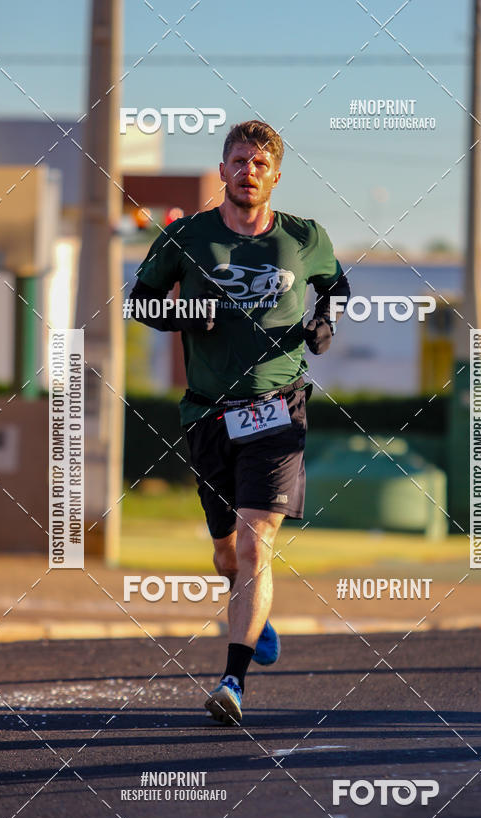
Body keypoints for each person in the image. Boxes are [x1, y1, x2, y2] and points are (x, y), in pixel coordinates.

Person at [128, 120, 350, 725]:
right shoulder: (186, 236)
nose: (248, 171)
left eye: (259, 163)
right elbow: (138, 300)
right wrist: (184, 317)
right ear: (222, 170)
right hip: (208, 412)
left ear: (275, 175)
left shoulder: (304, 238)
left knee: (258, 541)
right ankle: (253, 611)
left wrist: (324, 322)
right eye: (238, 161)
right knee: (228, 554)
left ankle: (233, 680)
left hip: (279, 408)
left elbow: (336, 286)